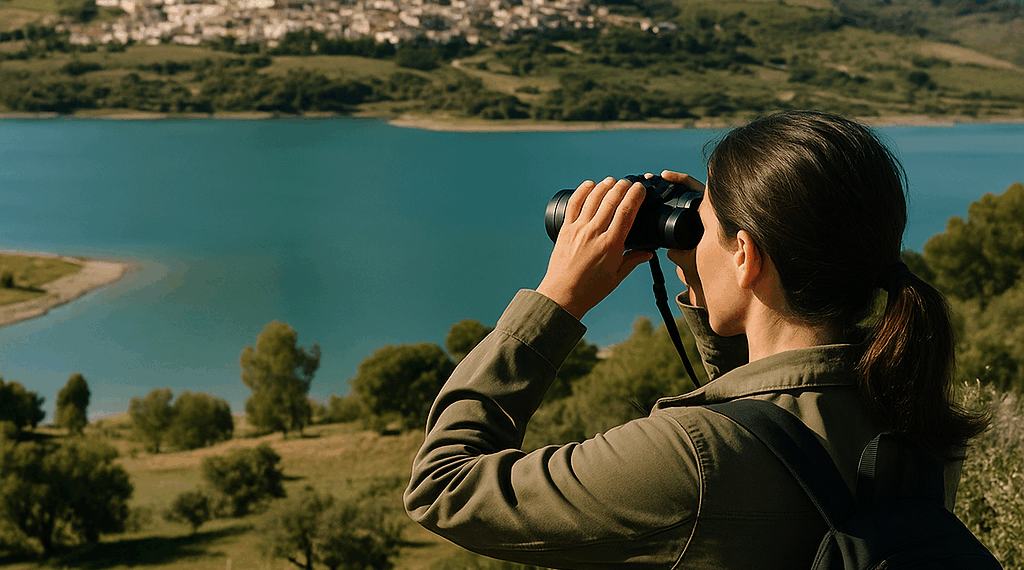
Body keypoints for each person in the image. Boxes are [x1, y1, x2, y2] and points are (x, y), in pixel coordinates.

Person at [404, 110, 988, 569]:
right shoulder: (916, 418)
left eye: (703, 223)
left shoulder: (689, 459)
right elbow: (770, 422)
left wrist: (556, 299)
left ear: (746, 255)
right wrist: (710, 278)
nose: (690, 233)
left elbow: (443, 487)